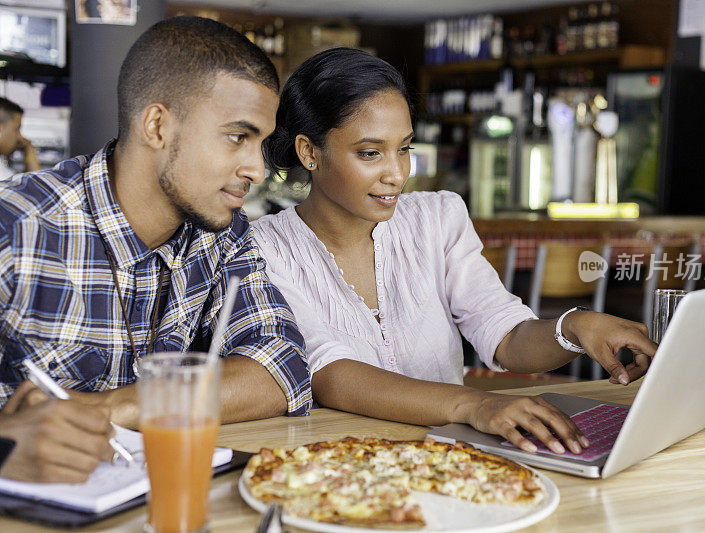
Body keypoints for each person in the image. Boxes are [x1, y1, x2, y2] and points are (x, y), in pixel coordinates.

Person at [251, 47, 657, 455]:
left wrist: (573, 327)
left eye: (405, 148)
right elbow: (329, 373)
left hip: (451, 462)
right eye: (370, 153)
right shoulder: (264, 247)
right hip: (337, 468)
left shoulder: (438, 218)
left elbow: (506, 335)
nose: (397, 174)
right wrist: (475, 404)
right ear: (309, 152)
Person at [0, 16, 311, 482]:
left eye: (261, 144)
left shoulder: (223, 235)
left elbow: (281, 366)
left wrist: (110, 408)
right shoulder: (17, 227)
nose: (256, 168)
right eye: (237, 136)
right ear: (157, 125)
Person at [0, 97, 41, 181]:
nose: (20, 137)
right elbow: (37, 189)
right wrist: (30, 152)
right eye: (16, 129)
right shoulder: (4, 178)